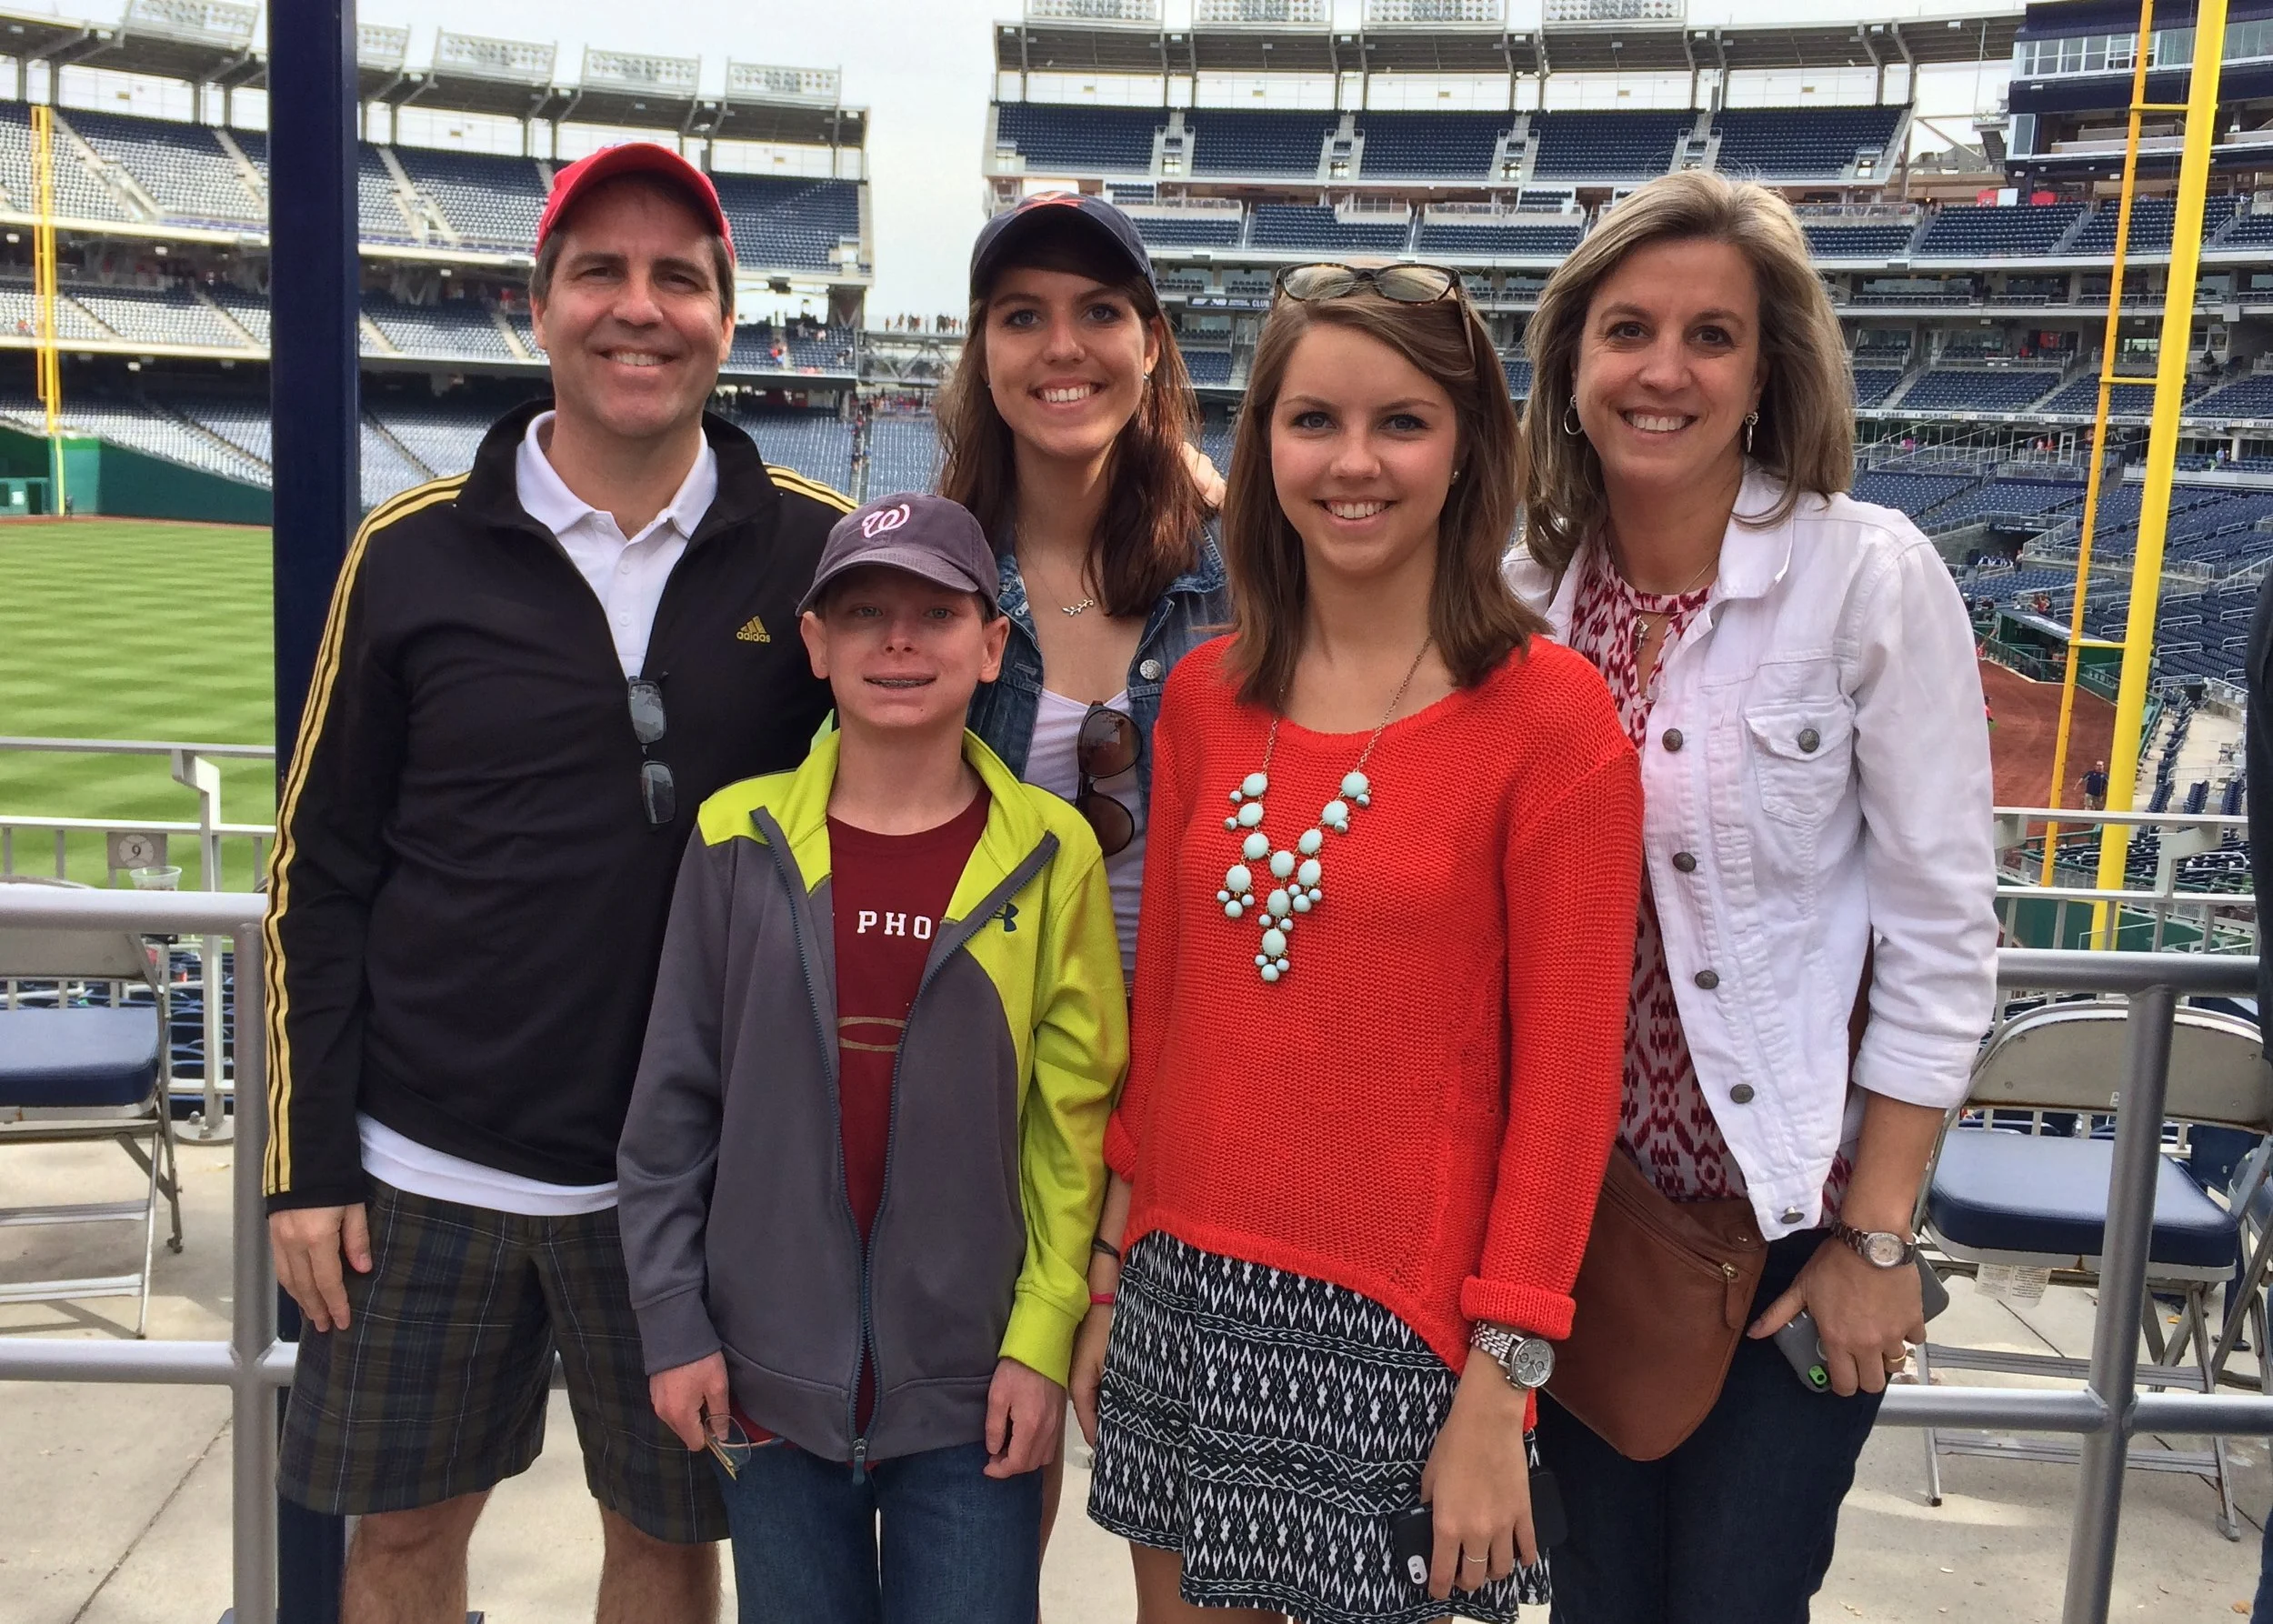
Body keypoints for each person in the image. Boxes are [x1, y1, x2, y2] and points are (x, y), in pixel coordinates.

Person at [262, 143, 851, 1624]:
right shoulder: (408, 555)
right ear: (538, 307)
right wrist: (305, 1164)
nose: (638, 307)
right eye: (600, 271)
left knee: (666, 1544)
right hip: (422, 1164)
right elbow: (316, 876)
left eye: (678, 278)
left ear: (727, 316)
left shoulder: (812, 549)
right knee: (400, 1543)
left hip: (685, 1183)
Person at [1076, 261, 1644, 1623]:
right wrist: (1110, 1274)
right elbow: (1170, 1020)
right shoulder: (1202, 700)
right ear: (1264, 443)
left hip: (1409, 1329)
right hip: (1181, 1293)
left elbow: (1568, 1092)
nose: (1353, 462)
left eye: (1402, 422)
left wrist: (1501, 1383)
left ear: (1467, 447)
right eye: (1313, 420)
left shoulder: (1552, 722)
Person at [1506, 170, 1998, 1623]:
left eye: (1710, 335)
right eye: (1628, 331)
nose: (1664, 370)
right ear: (1573, 364)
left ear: (1767, 370)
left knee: (1738, 1597)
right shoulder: (1518, 594)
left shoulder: (1867, 577)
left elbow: (1941, 931)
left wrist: (1877, 1238)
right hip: (1582, 1226)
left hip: (1795, 1222)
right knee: (1597, 1598)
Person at [618, 492, 1127, 1621]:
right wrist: (675, 1324)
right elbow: (671, 1112)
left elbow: (1071, 1128)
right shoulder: (735, 836)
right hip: (766, 1390)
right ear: (815, 642)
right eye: (863, 613)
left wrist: (1040, 1337)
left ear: (991, 644)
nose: (898, 641)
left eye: (935, 613)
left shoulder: (1052, 855)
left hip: (974, 1393)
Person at [941, 190, 1232, 1549]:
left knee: (1187, 1519)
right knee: (992, 1493)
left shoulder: (1246, 569)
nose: (1063, 347)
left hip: (1196, 1087)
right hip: (992, 1089)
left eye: (1099, 311)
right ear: (983, 351)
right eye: (1023, 316)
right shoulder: (933, 570)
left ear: (1151, 342)